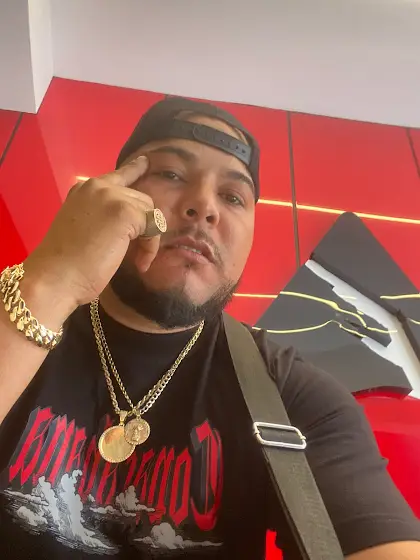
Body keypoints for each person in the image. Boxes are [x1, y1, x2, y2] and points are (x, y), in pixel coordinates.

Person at [0, 97, 418, 560]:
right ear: (112, 192)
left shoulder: (293, 397)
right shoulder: (18, 315)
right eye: (171, 174)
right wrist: (52, 284)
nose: (203, 206)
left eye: (233, 197)